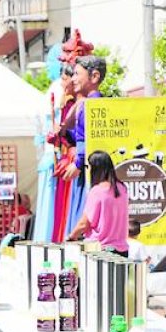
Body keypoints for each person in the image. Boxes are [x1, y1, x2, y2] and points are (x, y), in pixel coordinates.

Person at [63, 54, 107, 241]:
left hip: (86, 167)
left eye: (77, 74)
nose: (73, 79)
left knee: (85, 209)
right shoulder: (93, 103)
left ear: (94, 77)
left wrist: (79, 162)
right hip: (92, 165)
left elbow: (87, 138)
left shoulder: (89, 106)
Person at [68, 150, 130, 254]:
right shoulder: (122, 189)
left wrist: (71, 236)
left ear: (95, 169)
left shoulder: (97, 191)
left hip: (100, 249)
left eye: (88, 167)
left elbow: (84, 223)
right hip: (122, 249)